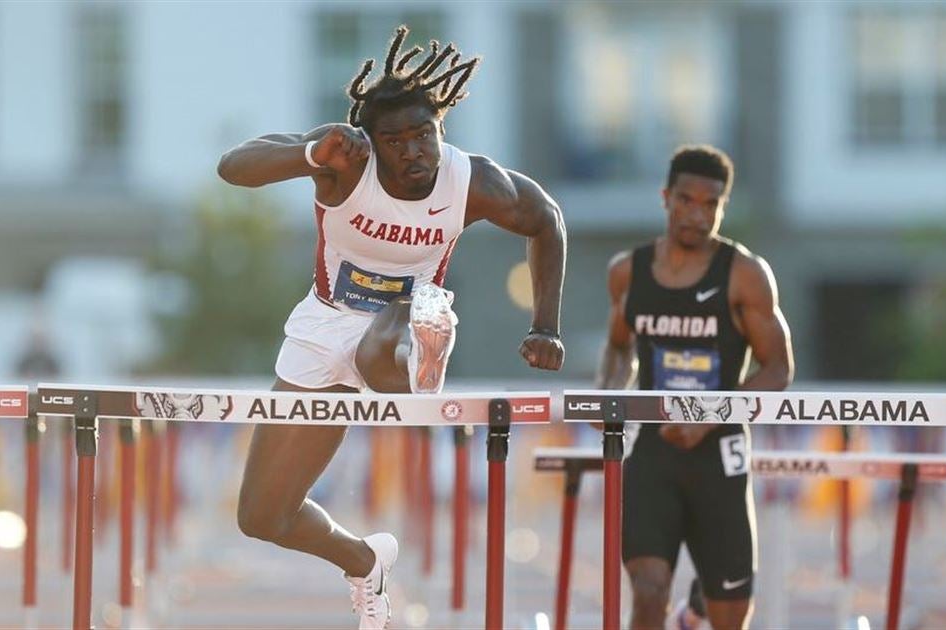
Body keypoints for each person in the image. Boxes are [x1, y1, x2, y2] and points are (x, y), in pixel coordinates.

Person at [218, 26, 566, 629]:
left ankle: (425, 349)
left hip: (405, 320)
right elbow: (232, 168)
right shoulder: (344, 165)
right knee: (262, 517)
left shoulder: (472, 181)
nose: (412, 153)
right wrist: (308, 154)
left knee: (384, 356)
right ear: (371, 145)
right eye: (395, 141)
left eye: (422, 136)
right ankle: (365, 560)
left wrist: (546, 326)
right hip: (324, 322)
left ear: (441, 132)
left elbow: (547, 220)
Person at [597, 145, 794, 630]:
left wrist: (711, 416)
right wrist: (610, 393)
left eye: (712, 204)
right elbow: (619, 347)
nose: (698, 214)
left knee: (730, 616)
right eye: (687, 200)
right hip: (653, 454)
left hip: (719, 452)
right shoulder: (628, 272)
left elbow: (778, 369)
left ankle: (696, 614)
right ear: (666, 198)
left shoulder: (745, 275)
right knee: (647, 590)